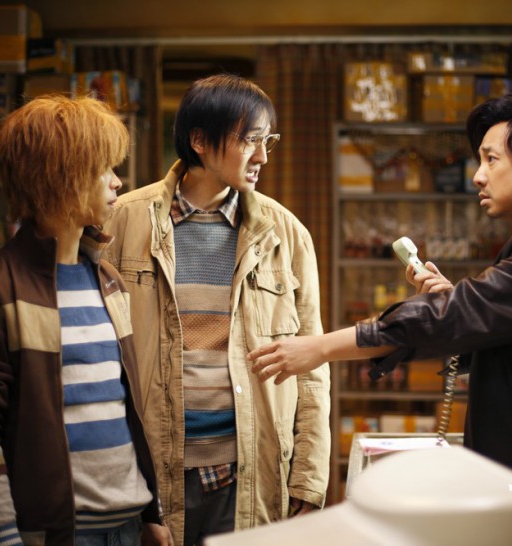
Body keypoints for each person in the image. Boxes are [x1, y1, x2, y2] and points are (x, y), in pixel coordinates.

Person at [248, 94, 512, 546]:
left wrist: (319, 347)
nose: (478, 175)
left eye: (491, 159)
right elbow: (502, 323)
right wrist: (454, 303)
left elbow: (458, 314)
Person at [103, 74, 330, 546]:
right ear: (200, 141)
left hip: (246, 470)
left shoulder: (286, 234)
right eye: (250, 140)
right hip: (148, 474)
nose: (263, 156)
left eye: (268, 141)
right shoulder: (122, 221)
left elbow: (312, 368)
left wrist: (309, 477)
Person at [0, 96, 173, 546]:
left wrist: (151, 513)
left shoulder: (109, 280)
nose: (117, 181)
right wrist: (6, 540)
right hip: (57, 535)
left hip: (128, 527)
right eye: (103, 169)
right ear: (60, 176)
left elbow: (125, 409)